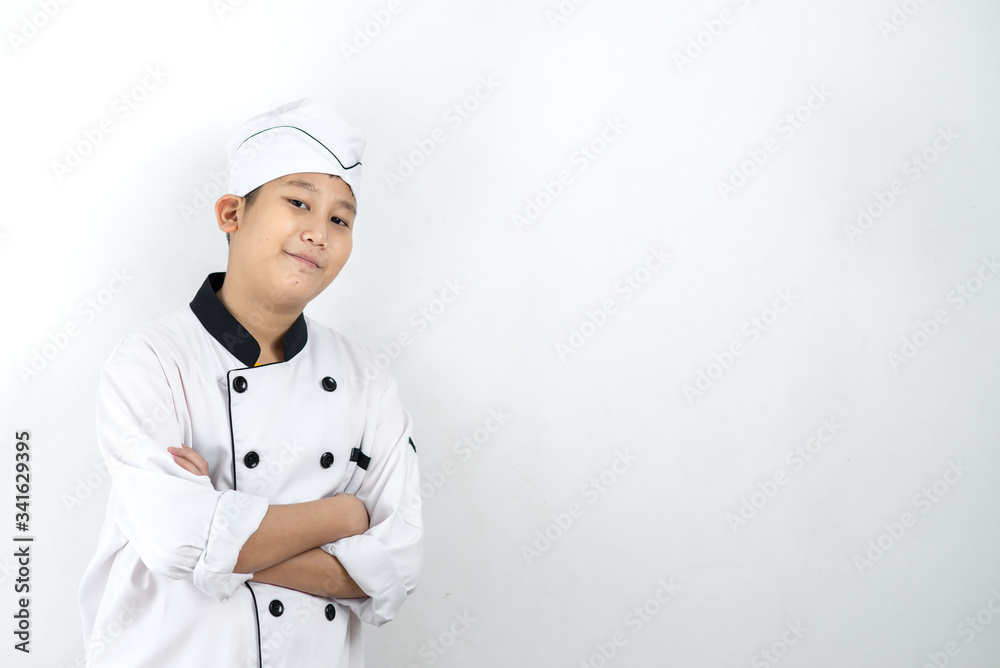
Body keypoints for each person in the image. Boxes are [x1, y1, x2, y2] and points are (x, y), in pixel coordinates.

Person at [77, 98, 424, 667]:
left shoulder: (368, 383)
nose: (319, 232)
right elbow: (173, 537)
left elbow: (397, 571)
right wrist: (343, 518)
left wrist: (216, 527)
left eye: (340, 218)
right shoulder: (150, 360)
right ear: (232, 213)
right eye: (298, 202)